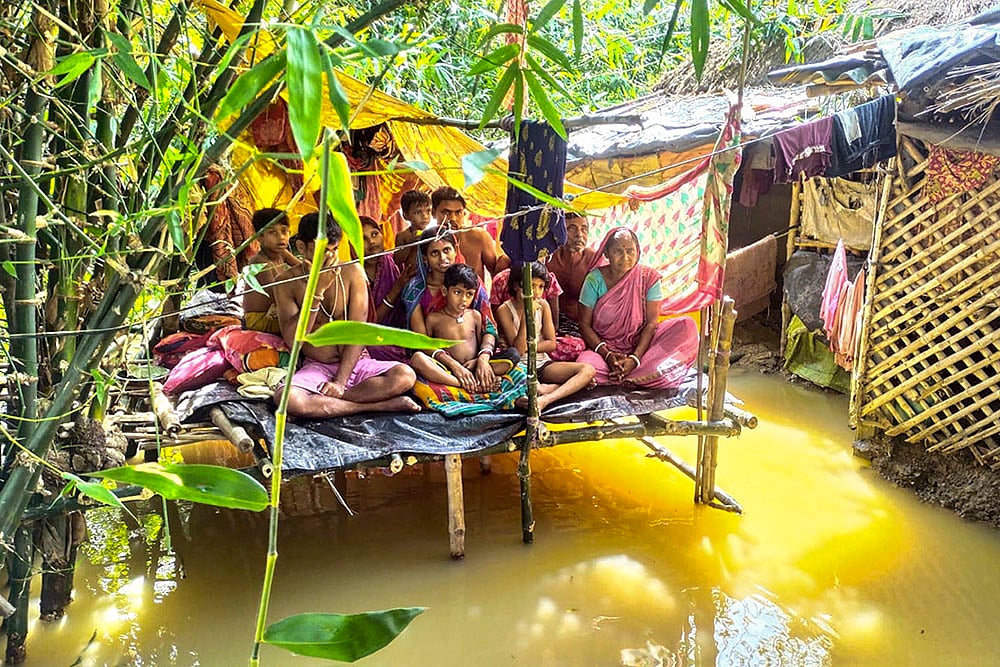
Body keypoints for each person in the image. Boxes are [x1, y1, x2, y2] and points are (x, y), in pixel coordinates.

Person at [272, 212, 419, 418]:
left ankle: (332, 402)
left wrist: (340, 383)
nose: (329, 258)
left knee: (404, 375)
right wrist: (317, 293)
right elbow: (293, 340)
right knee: (287, 400)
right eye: (322, 251)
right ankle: (376, 406)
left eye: (333, 250)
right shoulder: (286, 283)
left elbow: (359, 332)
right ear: (302, 248)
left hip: (357, 363)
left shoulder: (352, 272)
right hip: (318, 368)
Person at [576, 227, 698, 388]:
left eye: (630, 251)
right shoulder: (594, 280)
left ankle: (631, 372)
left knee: (686, 325)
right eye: (618, 251)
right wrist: (607, 355)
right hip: (604, 349)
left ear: (638, 252)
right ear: (606, 253)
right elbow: (584, 324)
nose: (625, 257)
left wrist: (635, 359)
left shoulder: (649, 278)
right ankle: (641, 376)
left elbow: (651, 323)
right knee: (586, 367)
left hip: (641, 346)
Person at [495, 262, 595, 411]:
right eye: (531, 285)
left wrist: (531, 346)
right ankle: (554, 388)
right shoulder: (504, 310)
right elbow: (518, 351)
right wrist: (527, 317)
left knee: (588, 370)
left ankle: (545, 398)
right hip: (519, 367)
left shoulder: (543, 305)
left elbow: (551, 344)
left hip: (541, 363)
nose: (536, 292)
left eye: (540, 287)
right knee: (519, 394)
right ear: (517, 285)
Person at [413, 264, 518, 392]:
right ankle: (465, 384)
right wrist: (454, 366)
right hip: (449, 370)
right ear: (445, 291)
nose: (463, 299)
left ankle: (476, 379)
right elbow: (428, 348)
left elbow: (481, 344)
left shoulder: (475, 316)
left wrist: (478, 361)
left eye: (469, 294)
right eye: (458, 292)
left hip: (475, 367)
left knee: (513, 355)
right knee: (418, 359)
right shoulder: (433, 319)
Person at [431, 186, 508, 282]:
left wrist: (505, 262)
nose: (453, 218)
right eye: (446, 213)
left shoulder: (479, 237)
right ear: (433, 213)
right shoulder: (427, 241)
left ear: (464, 213)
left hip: (475, 296)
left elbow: (496, 274)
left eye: (458, 212)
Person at [243, 208, 300, 334]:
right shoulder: (259, 262)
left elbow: (304, 268)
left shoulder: (282, 253)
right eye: (273, 233)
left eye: (284, 231)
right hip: (258, 320)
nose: (281, 237)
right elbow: (278, 294)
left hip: (274, 309)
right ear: (260, 237)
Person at [361, 216, 410, 362]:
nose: (371, 242)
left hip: (401, 332)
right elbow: (369, 324)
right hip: (372, 338)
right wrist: (397, 288)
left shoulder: (396, 263)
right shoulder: (353, 274)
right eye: (363, 238)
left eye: (375, 234)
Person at [545, 212, 596, 335]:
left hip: (580, 327)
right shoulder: (548, 258)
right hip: (547, 325)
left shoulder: (594, 260)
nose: (579, 234)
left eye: (584, 229)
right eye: (572, 229)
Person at [393, 190, 432, 275]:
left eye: (428, 211)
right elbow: (397, 260)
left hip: (429, 276)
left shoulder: (432, 234)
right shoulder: (403, 236)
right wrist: (411, 244)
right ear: (406, 215)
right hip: (412, 277)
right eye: (418, 212)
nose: (425, 216)